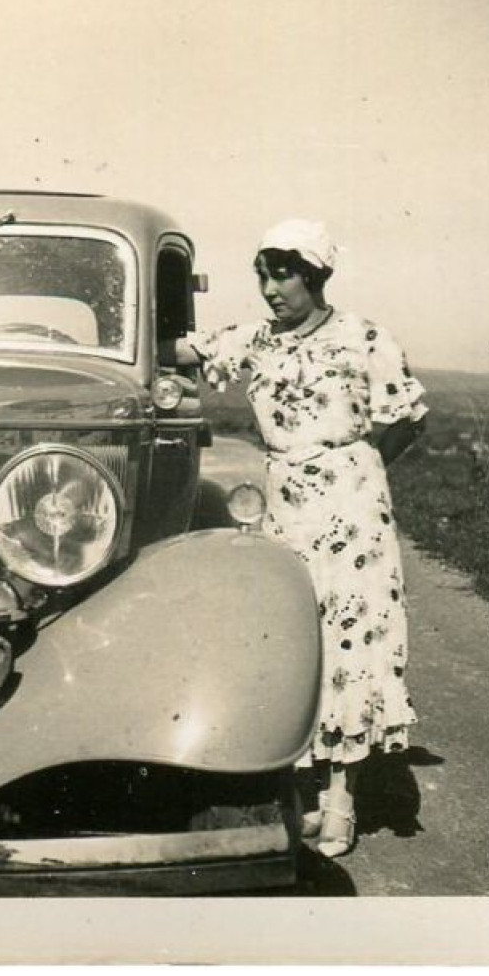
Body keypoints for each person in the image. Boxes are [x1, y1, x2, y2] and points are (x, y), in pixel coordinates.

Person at [178, 219, 427, 858]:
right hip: (286, 499)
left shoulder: (363, 337)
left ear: (314, 274)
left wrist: (358, 468)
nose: (270, 288)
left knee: (350, 638)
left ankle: (340, 800)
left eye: (283, 273)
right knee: (296, 638)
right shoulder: (257, 341)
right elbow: (185, 353)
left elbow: (406, 417)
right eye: (262, 274)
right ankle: (296, 795)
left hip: (351, 502)